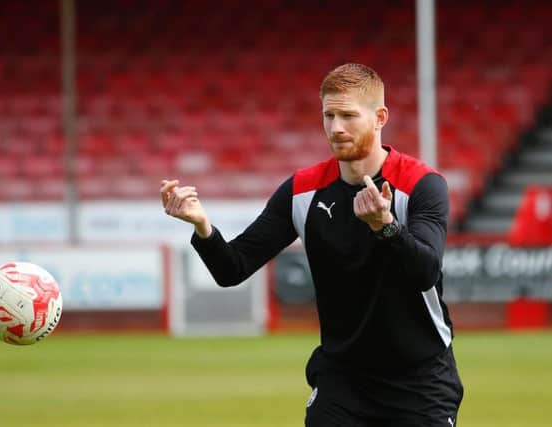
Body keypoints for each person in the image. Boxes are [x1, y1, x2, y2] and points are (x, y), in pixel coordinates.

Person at [160, 63, 464, 427]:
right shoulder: (303, 191)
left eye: (348, 116)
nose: (336, 127)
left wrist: (386, 228)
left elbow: (425, 271)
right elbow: (233, 268)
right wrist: (202, 226)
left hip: (420, 382)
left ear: (380, 117)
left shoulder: (421, 185)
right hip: (342, 382)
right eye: (329, 115)